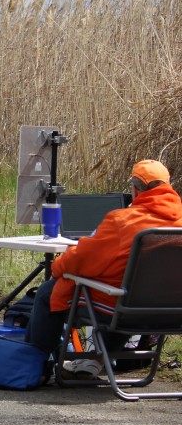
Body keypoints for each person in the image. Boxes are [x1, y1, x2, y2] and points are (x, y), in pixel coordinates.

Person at [26, 160, 182, 376]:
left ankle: (34, 365)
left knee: (46, 293)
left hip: (123, 309)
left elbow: (82, 260)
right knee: (128, 296)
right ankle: (97, 360)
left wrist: (57, 266)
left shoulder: (122, 221)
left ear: (135, 189)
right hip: (172, 313)